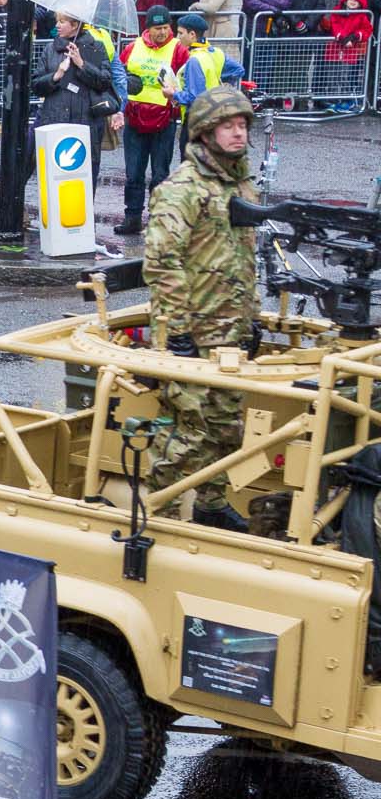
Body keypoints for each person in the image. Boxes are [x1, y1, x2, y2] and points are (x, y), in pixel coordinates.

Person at [139, 85, 259, 531]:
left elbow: (246, 255)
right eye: (227, 126)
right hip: (191, 332)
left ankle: (211, 504)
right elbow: (161, 260)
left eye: (242, 124)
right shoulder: (182, 189)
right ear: (205, 133)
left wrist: (252, 316)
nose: (237, 133)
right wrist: (179, 332)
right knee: (189, 432)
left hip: (230, 332)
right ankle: (159, 511)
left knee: (227, 427)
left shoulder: (241, 185)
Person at [114, 8, 188, 236]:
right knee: (134, 173)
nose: (163, 32)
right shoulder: (132, 47)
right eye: (158, 28)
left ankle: (158, 220)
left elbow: (187, 79)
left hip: (164, 121)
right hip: (135, 119)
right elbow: (119, 75)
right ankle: (132, 218)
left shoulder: (179, 50)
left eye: (166, 27)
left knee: (159, 174)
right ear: (148, 28)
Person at [27, 12, 111, 201]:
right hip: (54, 119)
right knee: (52, 173)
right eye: (58, 21)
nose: (57, 25)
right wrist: (56, 76)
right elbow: (36, 85)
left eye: (62, 21)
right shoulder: (50, 49)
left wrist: (81, 64)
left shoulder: (96, 47)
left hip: (86, 121)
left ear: (75, 25)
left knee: (85, 174)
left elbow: (105, 81)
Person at [171, 11, 225, 112]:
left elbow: (194, 97)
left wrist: (173, 94)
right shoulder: (216, 52)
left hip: (196, 117)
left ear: (192, 34)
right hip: (213, 111)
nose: (178, 37)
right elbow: (238, 70)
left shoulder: (194, 60)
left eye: (180, 33)